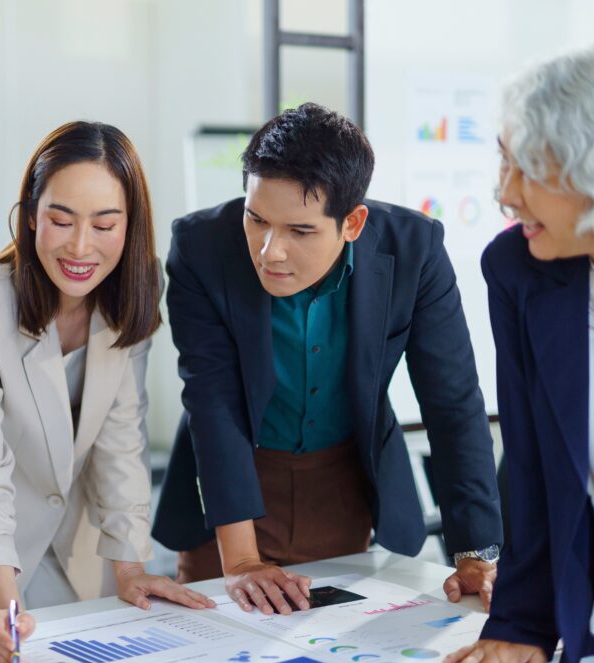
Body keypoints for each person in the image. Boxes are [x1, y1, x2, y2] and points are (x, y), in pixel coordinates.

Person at [152, 103, 504, 615]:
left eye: (300, 231)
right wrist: (243, 560)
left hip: (343, 486)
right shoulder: (200, 246)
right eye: (257, 219)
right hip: (228, 493)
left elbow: (452, 402)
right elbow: (213, 402)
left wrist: (476, 553)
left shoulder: (415, 250)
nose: (270, 251)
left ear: (352, 223)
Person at [0, 121, 214, 663]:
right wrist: (3, 606)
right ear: (30, 216)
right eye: (61, 221)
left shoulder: (135, 288)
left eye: (104, 224)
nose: (81, 246)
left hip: (63, 527)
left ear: (131, 225)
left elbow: (121, 439)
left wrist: (130, 567)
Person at [446, 46, 594, 663]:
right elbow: (531, 465)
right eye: (504, 160)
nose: (504, 193)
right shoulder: (517, 270)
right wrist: (521, 621)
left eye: (527, 167)